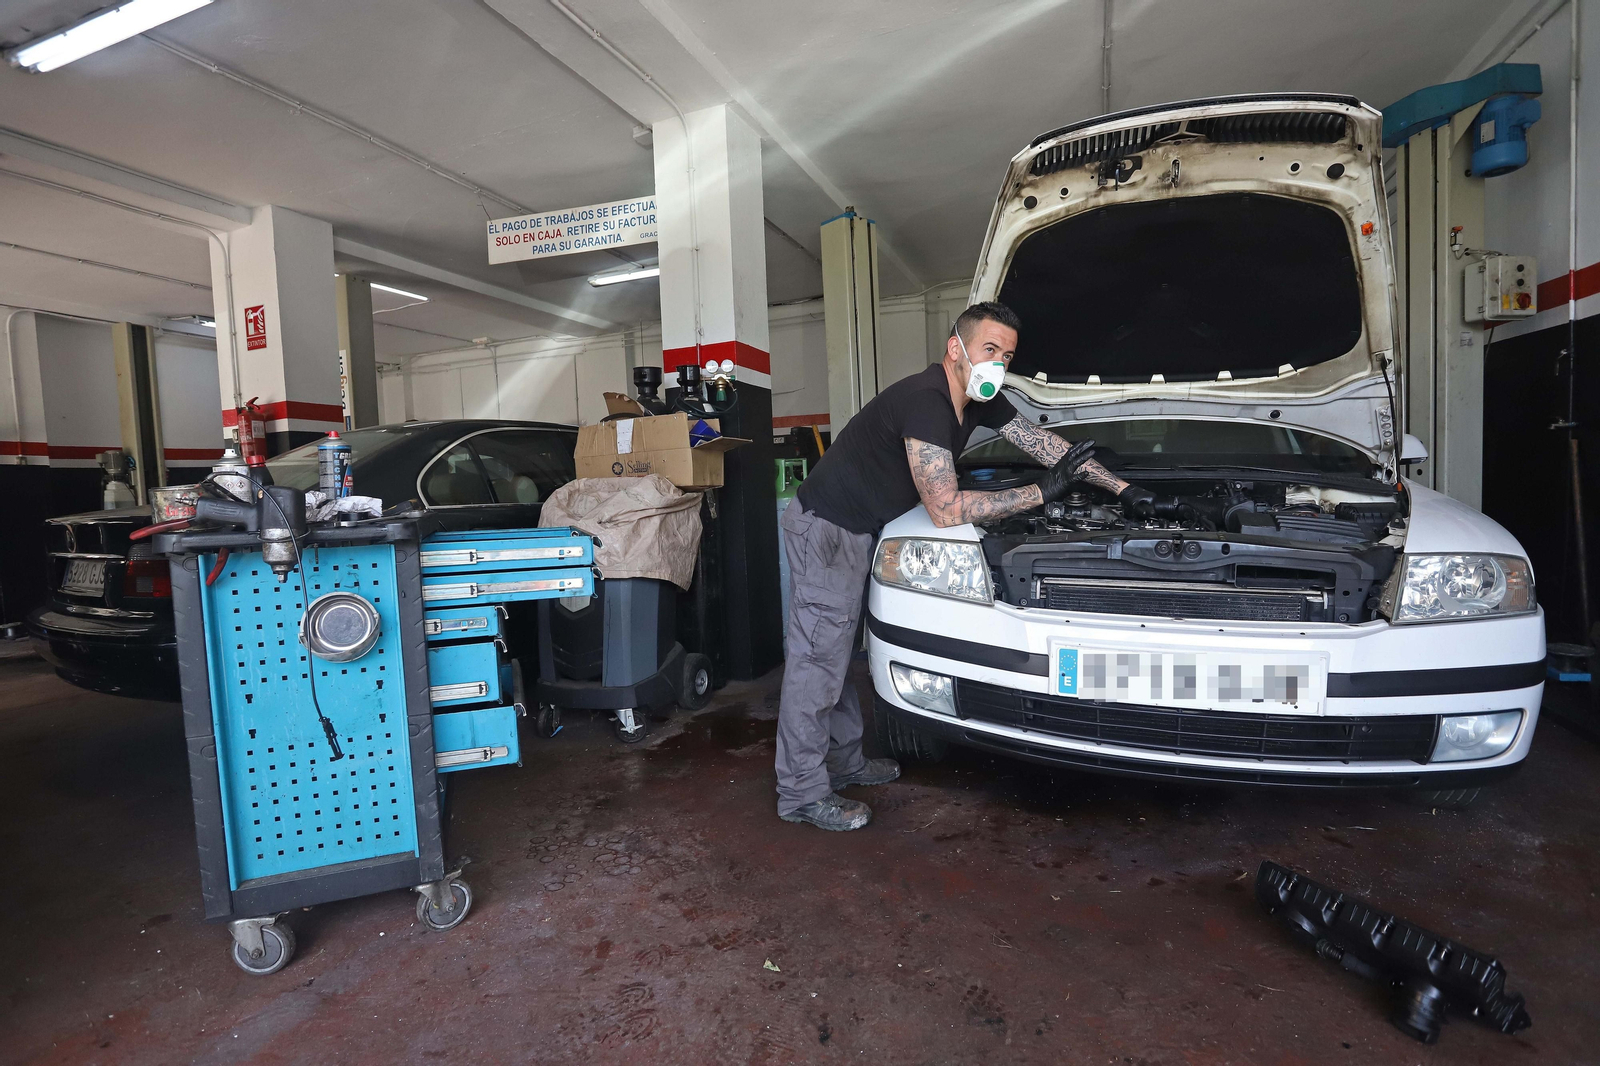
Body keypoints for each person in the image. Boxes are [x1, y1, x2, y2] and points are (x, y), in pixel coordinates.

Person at [775, 301, 1156, 830]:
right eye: (989, 350)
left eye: (1007, 355)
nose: (997, 364)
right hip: (828, 529)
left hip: (857, 530)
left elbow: (1042, 443)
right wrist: (1041, 493)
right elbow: (946, 508)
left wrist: (1124, 488)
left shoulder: (978, 401)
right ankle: (800, 792)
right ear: (956, 349)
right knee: (817, 660)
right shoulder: (927, 402)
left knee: (838, 652)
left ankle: (841, 763)